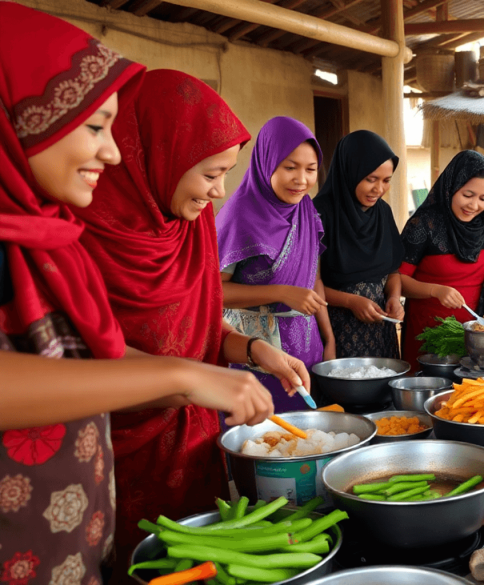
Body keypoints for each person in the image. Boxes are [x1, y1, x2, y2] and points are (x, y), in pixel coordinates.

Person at [0, 5, 273, 581]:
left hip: (73, 534)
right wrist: (182, 376)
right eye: (95, 127)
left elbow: (90, 354)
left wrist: (238, 355)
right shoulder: (78, 231)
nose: (113, 151)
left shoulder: (52, 238)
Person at [74, 70, 310, 581]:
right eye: (209, 174)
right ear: (157, 156)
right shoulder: (81, 236)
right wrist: (192, 381)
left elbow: (198, 328)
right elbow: (81, 364)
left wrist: (254, 350)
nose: (220, 192)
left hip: (194, 443)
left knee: (206, 561)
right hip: (112, 454)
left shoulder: (190, 224)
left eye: (226, 173)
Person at [217, 117, 333, 412]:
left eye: (310, 169)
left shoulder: (305, 208)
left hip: (307, 347)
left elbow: (313, 280)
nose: (301, 180)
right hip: (253, 354)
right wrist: (281, 293)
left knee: (305, 431)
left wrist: (329, 338)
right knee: (263, 430)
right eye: (290, 167)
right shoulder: (239, 215)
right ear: (266, 162)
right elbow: (213, 292)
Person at [399, 150, 484, 363]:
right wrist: (435, 290)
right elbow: (397, 280)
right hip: (427, 335)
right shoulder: (424, 224)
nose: (474, 205)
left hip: (476, 337)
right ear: (451, 187)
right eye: (467, 195)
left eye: (483, 198)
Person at [315, 130, 404, 358]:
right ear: (349, 171)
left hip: (380, 332)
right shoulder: (319, 214)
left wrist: (394, 298)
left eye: (386, 181)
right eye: (370, 179)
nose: (379, 189)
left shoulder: (382, 212)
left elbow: (392, 271)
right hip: (335, 330)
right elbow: (310, 282)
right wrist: (350, 301)